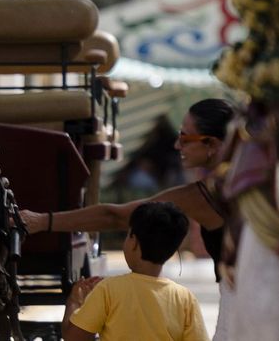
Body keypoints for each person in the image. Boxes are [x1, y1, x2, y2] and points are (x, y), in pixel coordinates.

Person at [23, 100, 233, 335]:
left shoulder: (205, 196)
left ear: (211, 144)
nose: (176, 145)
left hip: (241, 306)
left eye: (185, 138)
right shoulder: (184, 299)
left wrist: (41, 221)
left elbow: (115, 217)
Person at [63, 201, 209, 341]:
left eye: (128, 235)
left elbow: (74, 337)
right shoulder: (185, 298)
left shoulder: (108, 289)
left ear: (134, 243)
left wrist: (74, 302)